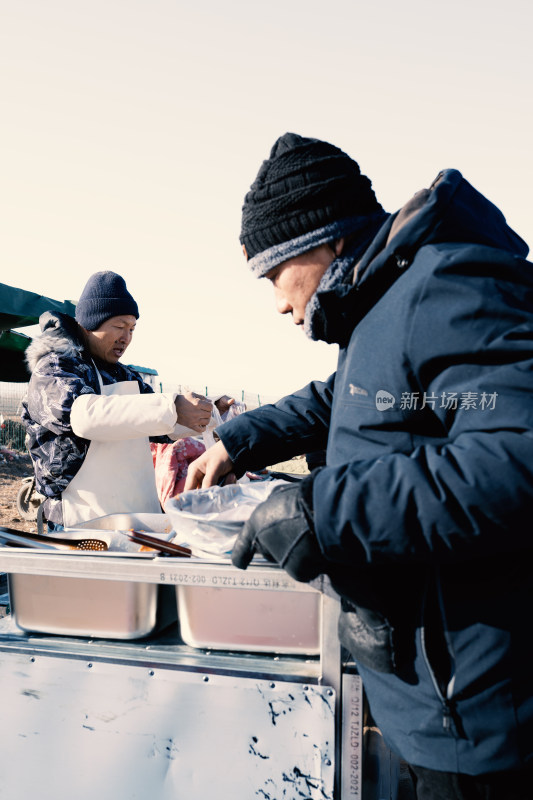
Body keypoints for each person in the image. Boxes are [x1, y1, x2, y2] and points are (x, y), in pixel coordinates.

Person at [184, 133, 533, 798]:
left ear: (326, 241)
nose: (281, 306)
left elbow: (515, 458)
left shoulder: (443, 285)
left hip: (477, 714)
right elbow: (360, 396)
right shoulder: (385, 305)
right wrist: (246, 437)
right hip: (426, 696)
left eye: (275, 278)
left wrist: (325, 512)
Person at [21, 270, 224, 529]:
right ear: (89, 323)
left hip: (136, 516)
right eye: (119, 326)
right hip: (79, 522)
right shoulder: (53, 368)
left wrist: (210, 413)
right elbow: (83, 417)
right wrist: (171, 408)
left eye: (132, 329)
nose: (126, 337)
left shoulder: (123, 374)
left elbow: (161, 427)